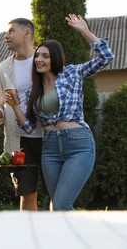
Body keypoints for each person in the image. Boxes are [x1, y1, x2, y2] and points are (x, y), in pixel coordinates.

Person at [6, 14, 114, 211]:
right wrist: (15, 106)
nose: (38, 59)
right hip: (50, 149)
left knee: (62, 204)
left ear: (54, 58)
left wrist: (84, 31)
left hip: (78, 144)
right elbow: (29, 127)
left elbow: (106, 57)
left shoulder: (72, 73)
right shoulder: (34, 90)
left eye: (45, 56)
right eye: (37, 55)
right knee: (56, 207)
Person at [0, 18, 45, 211]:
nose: (6, 35)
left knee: (57, 194)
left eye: (11, 31)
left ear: (27, 33)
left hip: (49, 136)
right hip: (19, 141)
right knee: (27, 196)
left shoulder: (44, 59)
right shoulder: (2, 68)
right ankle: (28, 239)